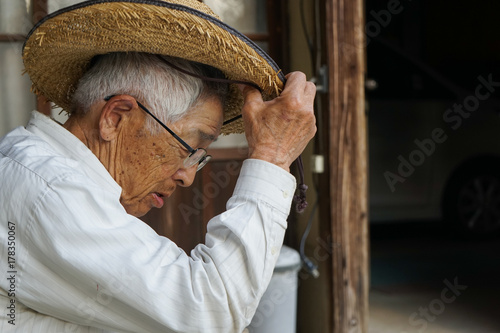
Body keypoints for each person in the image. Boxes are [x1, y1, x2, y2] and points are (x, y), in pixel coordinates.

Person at [0, 1, 316, 332]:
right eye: (190, 148)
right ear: (116, 117)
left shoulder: (41, 173)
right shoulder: (49, 190)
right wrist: (272, 154)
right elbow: (210, 309)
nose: (188, 176)